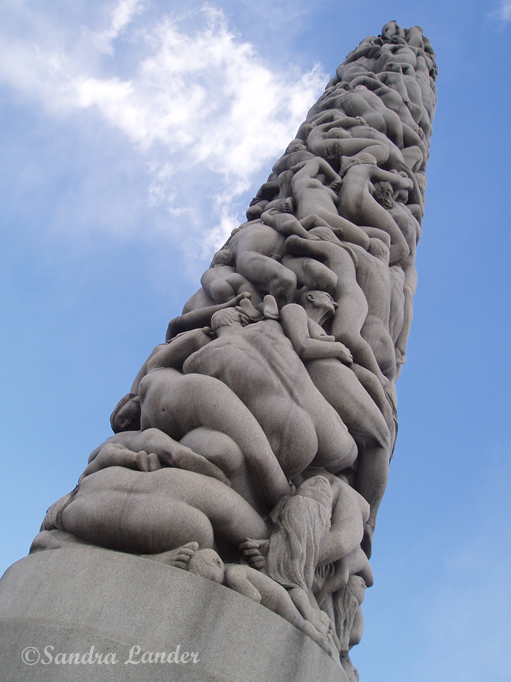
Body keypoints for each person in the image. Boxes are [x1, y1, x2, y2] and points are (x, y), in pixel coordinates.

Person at [112, 328, 291, 511]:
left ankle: (287, 501)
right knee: (237, 464)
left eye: (120, 417)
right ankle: (270, 514)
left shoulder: (153, 369)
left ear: (123, 401)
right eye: (123, 426)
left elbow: (197, 339)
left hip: (198, 397)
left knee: (256, 451)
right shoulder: (145, 427)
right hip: (190, 431)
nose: (126, 422)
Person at [182, 308, 358, 479]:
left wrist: (196, 338)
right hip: (333, 432)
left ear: (212, 332)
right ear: (242, 319)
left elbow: (184, 374)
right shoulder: (272, 327)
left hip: (288, 437)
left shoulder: (202, 357)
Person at [39, 461, 269, 559]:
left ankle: (258, 551)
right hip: (171, 484)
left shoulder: (73, 516)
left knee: (200, 532)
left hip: (163, 509)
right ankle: (266, 548)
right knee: (223, 512)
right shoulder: (91, 478)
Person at [340, 153, 413, 265]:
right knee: (403, 248)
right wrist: (409, 182)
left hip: (344, 206)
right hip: (361, 200)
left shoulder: (349, 173)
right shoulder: (368, 168)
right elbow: (397, 180)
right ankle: (369, 264)